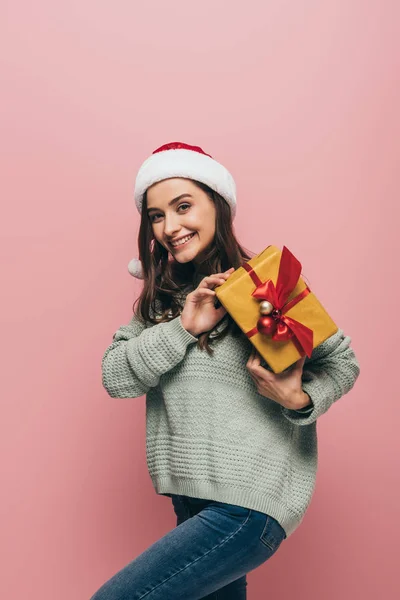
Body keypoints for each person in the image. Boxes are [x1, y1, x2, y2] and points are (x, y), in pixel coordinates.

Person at [91, 141, 360, 600]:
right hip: (191, 503)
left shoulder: (268, 285)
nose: (170, 226)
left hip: (247, 507)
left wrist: (298, 399)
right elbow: (116, 377)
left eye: (183, 206)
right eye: (156, 216)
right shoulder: (163, 303)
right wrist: (182, 327)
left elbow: (341, 363)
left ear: (216, 204)